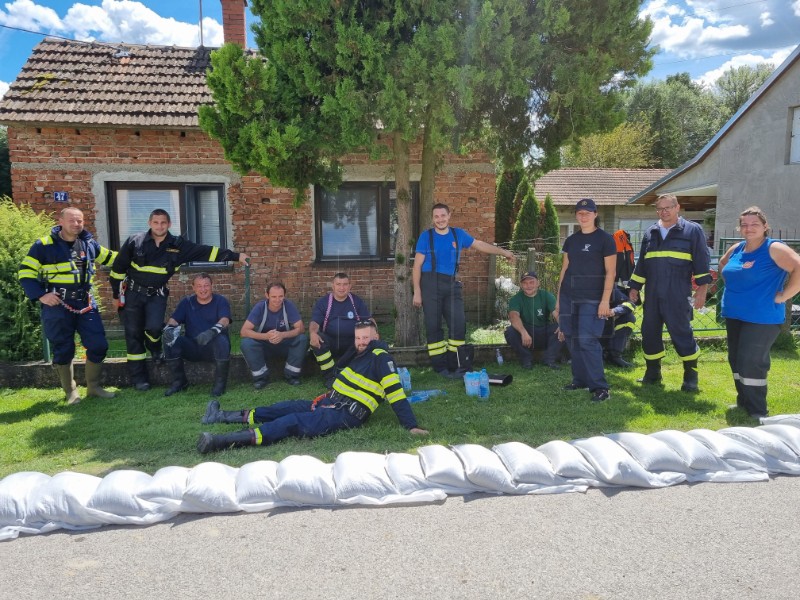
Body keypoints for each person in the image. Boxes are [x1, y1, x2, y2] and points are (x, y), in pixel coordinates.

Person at [197, 320, 428, 453]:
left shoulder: (381, 357)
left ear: (376, 335)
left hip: (345, 414)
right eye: (358, 338)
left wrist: (411, 426)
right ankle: (219, 415)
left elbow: (396, 395)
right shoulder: (360, 353)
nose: (360, 342)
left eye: (366, 338)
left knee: (291, 422)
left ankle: (221, 441)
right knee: (283, 408)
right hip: (331, 402)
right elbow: (338, 370)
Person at [110, 209, 249, 391]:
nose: (160, 226)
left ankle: (154, 347)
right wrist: (115, 295)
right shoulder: (135, 241)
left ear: (169, 224)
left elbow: (206, 251)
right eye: (156, 222)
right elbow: (118, 269)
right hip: (133, 294)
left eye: (163, 223)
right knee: (133, 334)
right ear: (150, 223)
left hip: (156, 295)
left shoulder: (178, 245)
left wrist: (236, 256)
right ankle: (139, 379)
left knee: (153, 328)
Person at [18, 207, 117, 404]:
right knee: (63, 348)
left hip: (85, 303)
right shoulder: (43, 246)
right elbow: (25, 273)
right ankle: (70, 391)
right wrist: (41, 295)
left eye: (80, 221)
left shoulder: (89, 243)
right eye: (72, 220)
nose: (77, 224)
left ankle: (94, 387)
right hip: (57, 304)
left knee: (98, 345)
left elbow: (113, 258)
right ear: (60, 221)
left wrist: (140, 253)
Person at [413, 203, 516, 377]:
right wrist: (417, 291)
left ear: (449, 215)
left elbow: (480, 244)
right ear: (433, 218)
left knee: (458, 324)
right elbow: (416, 266)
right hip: (430, 283)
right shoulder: (426, 237)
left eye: (443, 215)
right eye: (436, 216)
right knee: (433, 326)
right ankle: (440, 368)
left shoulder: (458, 234)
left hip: (452, 284)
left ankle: (456, 364)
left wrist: (503, 252)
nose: (440, 219)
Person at [719, 206, 800, 419]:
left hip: (762, 318)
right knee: (735, 360)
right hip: (734, 314)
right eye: (744, 224)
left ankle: (757, 410)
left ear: (765, 226)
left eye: (755, 224)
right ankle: (743, 401)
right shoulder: (737, 248)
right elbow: (723, 265)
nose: (749, 228)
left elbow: (798, 267)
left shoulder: (774, 248)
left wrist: (784, 296)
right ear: (739, 228)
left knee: (751, 361)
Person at [628, 194, 712, 392]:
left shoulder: (693, 230)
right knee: (649, 333)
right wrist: (634, 287)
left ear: (677, 208)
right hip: (653, 294)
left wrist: (702, 291)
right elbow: (642, 264)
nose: (663, 212)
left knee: (681, 333)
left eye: (668, 207)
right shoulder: (651, 232)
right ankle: (652, 373)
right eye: (659, 208)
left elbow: (701, 261)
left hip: (678, 293)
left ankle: (690, 377)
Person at [553, 198, 616, 402]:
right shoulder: (571, 240)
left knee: (588, 341)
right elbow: (564, 269)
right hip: (569, 296)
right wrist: (558, 300)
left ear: (595, 214)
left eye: (587, 213)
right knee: (571, 338)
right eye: (580, 213)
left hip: (593, 298)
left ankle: (600, 387)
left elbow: (611, 271)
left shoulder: (605, 239)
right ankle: (579, 379)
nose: (583, 216)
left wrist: (605, 301)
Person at [161, 273, 233, 398]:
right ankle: (180, 382)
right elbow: (174, 321)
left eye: (206, 285)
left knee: (222, 340)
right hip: (193, 346)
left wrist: (211, 332)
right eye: (199, 286)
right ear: (193, 287)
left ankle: (220, 384)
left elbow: (225, 320)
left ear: (212, 286)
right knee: (171, 340)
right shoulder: (186, 302)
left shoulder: (221, 300)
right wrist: (168, 330)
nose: (203, 289)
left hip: (214, 350)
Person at [240, 282, 307, 388]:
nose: (277, 300)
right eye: (274, 296)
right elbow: (244, 331)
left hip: (284, 344)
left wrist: (282, 335)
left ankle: (292, 375)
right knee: (246, 343)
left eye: (281, 296)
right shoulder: (260, 307)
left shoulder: (288, 305)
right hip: (265, 346)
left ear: (284, 295)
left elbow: (301, 328)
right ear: (267, 295)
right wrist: (266, 336)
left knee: (302, 339)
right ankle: (261, 377)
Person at [309, 272, 371, 386]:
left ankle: (347, 371)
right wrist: (313, 333)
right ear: (332, 285)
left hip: (352, 342)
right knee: (318, 339)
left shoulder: (357, 301)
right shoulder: (323, 302)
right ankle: (330, 376)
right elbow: (315, 322)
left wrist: (374, 332)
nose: (342, 288)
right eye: (338, 284)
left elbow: (369, 320)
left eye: (345, 284)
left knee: (366, 340)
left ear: (350, 286)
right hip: (331, 342)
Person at [503, 270, 564, 369]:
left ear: (538, 283)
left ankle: (549, 359)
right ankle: (526, 359)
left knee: (562, 327)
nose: (528, 285)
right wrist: (523, 332)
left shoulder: (546, 295)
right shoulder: (516, 299)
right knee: (510, 331)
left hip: (543, 332)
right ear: (521, 285)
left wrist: (562, 325)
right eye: (525, 283)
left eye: (532, 282)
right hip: (527, 334)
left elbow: (557, 314)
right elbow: (514, 317)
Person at [601, 287, 636, 369]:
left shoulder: (607, 287)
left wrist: (614, 311)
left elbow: (629, 304)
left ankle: (614, 355)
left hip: (604, 324)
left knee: (629, 318)